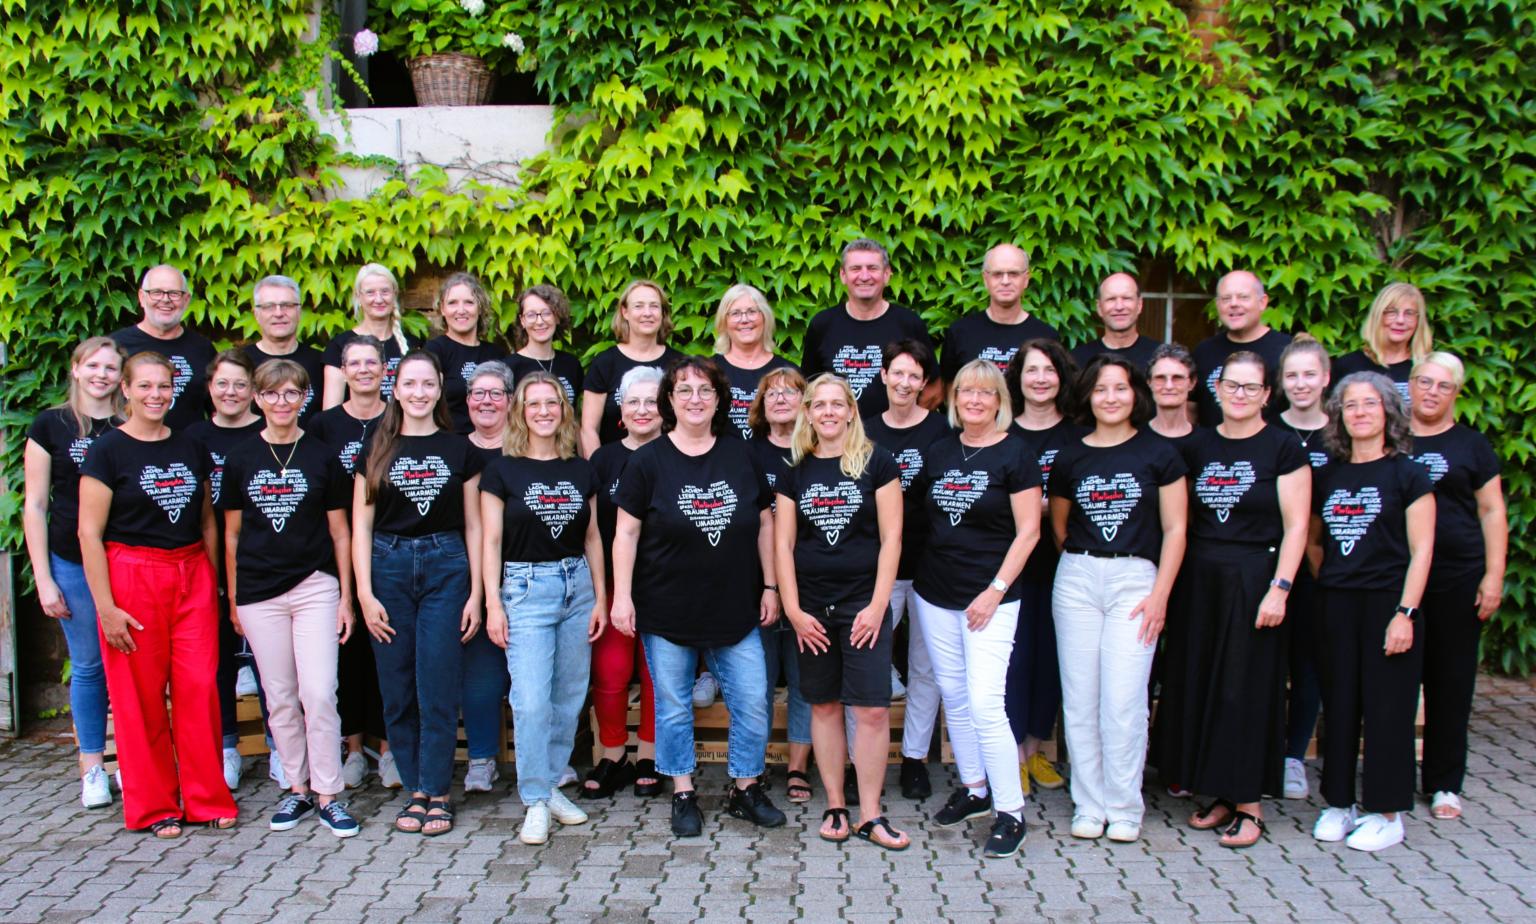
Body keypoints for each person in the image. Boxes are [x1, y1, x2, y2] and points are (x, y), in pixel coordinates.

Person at [610, 357, 785, 838]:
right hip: (666, 607)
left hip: (736, 606)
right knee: (671, 705)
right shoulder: (646, 462)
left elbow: (765, 523)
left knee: (751, 701)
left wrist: (770, 585)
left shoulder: (741, 455)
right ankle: (683, 791)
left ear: (718, 400)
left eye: (704, 390)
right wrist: (621, 596)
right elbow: (625, 533)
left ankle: (744, 788)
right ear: (670, 400)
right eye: (683, 389)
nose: (694, 398)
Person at [77, 351, 239, 836]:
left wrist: (211, 582)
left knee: (197, 689)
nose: (155, 395)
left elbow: (208, 519)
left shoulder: (190, 446)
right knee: (139, 696)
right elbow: (89, 533)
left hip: (190, 572)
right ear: (125, 390)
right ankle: (153, 806)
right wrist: (106, 609)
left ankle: (205, 798)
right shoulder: (107, 451)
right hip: (132, 575)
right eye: (144, 386)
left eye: (163, 386)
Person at [1152, 351, 1310, 848]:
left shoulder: (1283, 448)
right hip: (1201, 579)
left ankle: (1250, 806)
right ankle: (1218, 792)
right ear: (1217, 389)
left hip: (1256, 578)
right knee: (1204, 685)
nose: (1239, 395)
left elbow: (1298, 526)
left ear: (1266, 394)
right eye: (1231, 385)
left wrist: (1280, 588)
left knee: (1245, 690)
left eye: (1250, 387)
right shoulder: (1198, 448)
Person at [1049, 355, 1187, 843]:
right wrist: (1089, 563)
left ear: (1136, 395)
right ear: (1088, 395)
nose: (1111, 397)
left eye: (1121, 388)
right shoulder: (1071, 456)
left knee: (1125, 699)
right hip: (1079, 578)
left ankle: (1125, 806)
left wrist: (1160, 595)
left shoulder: (1161, 453)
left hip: (1137, 580)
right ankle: (1089, 804)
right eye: (1101, 388)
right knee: (1081, 699)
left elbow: (1175, 530)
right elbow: (1060, 526)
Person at [219, 361, 359, 837]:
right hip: (259, 593)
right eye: (272, 394)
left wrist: (346, 598)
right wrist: (236, 597)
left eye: (292, 394)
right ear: (257, 399)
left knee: (319, 692)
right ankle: (297, 790)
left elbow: (341, 533)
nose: (282, 402)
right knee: (278, 696)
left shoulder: (323, 456)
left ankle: (329, 794)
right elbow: (232, 535)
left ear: (305, 398)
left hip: (316, 585)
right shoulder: (240, 458)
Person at [912, 360, 1042, 859]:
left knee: (986, 701)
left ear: (999, 400)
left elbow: (1029, 531)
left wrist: (995, 588)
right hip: (934, 592)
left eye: (984, 393)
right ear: (954, 399)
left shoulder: (1017, 454)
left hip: (992, 597)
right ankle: (975, 789)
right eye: (965, 390)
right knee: (954, 693)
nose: (973, 399)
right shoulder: (940, 451)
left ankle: (1011, 812)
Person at [353, 350, 484, 837]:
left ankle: (438, 790)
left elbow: (473, 525)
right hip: (387, 567)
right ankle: (415, 790)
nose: (419, 393)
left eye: (428, 384)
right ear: (396, 388)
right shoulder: (376, 447)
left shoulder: (460, 449)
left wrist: (474, 594)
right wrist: (364, 593)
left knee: (437, 684)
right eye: (410, 384)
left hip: (446, 567)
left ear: (439, 389)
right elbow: (360, 526)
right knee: (397, 687)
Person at [775, 374, 905, 848]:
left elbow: (892, 539)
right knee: (825, 706)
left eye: (838, 404)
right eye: (819, 405)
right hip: (812, 609)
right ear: (807, 413)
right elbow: (783, 545)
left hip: (862, 606)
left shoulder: (877, 463)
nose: (829, 412)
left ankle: (870, 813)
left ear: (851, 411)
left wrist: (877, 605)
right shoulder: (795, 470)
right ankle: (835, 804)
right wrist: (792, 608)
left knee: (870, 711)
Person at [1308, 372, 1434, 852]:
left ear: (1388, 412)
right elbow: (1315, 543)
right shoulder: (1330, 474)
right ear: (1339, 415)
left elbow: (1422, 550)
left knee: (1388, 708)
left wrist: (1405, 612)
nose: (1360, 412)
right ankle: (1339, 802)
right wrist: (1338, 583)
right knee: (1339, 705)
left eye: (1370, 404)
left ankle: (1388, 810)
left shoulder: (1409, 473)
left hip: (1389, 603)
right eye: (1350, 405)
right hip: (1338, 602)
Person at [481, 372, 608, 844]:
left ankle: (552, 784)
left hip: (577, 586)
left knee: (568, 696)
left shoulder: (581, 470)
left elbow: (593, 536)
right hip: (524, 587)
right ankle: (534, 798)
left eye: (551, 402)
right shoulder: (502, 470)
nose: (543, 411)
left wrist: (601, 596)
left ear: (563, 409)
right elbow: (491, 541)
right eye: (533, 404)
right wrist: (493, 602)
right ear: (520, 411)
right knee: (531, 700)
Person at [23, 336, 125, 808]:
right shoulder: (51, 425)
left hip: (125, 561)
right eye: (95, 366)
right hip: (72, 563)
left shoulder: (130, 422)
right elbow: (36, 504)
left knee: (129, 665)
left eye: (111, 367)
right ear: (77, 368)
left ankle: (128, 760)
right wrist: (44, 578)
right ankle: (92, 768)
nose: (102, 375)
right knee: (88, 666)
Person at [1407, 352, 1507, 821]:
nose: (1431, 392)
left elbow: (1491, 511)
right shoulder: (1390, 440)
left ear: (1455, 394)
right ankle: (1394, 776)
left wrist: (1493, 574)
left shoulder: (1471, 445)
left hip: (1456, 575)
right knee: (1398, 681)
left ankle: (1445, 782)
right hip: (1399, 576)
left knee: (1450, 680)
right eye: (1423, 381)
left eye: (1442, 386)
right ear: (1410, 384)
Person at [862, 340, 949, 800]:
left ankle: (914, 758)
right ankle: (862, 762)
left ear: (924, 383)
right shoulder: (866, 431)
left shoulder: (942, 432)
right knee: (870, 662)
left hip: (931, 565)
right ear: (883, 375)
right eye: (897, 372)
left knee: (925, 666)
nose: (904, 382)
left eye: (914, 375)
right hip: (880, 567)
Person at [308, 335, 394, 789]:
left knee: (387, 651)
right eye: (354, 363)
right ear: (342, 371)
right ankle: (354, 747)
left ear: (385, 370)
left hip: (390, 549)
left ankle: (388, 748)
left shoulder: (397, 419)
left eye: (371, 362)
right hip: (336, 548)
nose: (363, 370)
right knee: (348, 652)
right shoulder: (323, 426)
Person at [183, 351, 269, 791]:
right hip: (204, 562)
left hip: (261, 564)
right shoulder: (193, 438)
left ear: (254, 391)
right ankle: (227, 748)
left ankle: (278, 747)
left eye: (240, 384)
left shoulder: (269, 432)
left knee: (268, 662)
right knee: (216, 663)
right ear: (210, 388)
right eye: (223, 384)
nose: (231, 392)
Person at [1002, 339, 1081, 800]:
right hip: (1011, 563)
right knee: (1014, 657)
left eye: (1049, 370)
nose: (1040, 379)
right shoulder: (1003, 433)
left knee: (1052, 656)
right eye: (1032, 370)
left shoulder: (1078, 435)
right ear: (1018, 377)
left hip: (1061, 560)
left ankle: (1034, 748)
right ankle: (1011, 754)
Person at [586, 367, 665, 799]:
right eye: (633, 401)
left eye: (651, 401)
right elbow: (594, 530)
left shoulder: (676, 453)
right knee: (611, 671)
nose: (641, 409)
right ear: (620, 408)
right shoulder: (605, 459)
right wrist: (604, 593)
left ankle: (650, 756)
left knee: (656, 673)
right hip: (616, 583)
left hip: (666, 584)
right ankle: (613, 755)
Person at [744, 366, 812, 795]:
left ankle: (798, 768)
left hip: (811, 585)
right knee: (757, 683)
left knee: (806, 683)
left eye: (791, 392)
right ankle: (757, 762)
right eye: (772, 394)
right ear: (761, 406)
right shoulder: (743, 454)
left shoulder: (818, 452)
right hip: (756, 588)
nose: (782, 399)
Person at [1277, 334, 1332, 799]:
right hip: (1268, 566)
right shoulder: (1270, 431)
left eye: (1309, 374)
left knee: (1308, 663)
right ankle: (1264, 750)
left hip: (1323, 568)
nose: (1300, 383)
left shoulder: (1342, 435)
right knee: (1269, 662)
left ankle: (1294, 755)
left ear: (1325, 378)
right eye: (1292, 375)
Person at [460, 362, 517, 794]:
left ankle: (552, 760)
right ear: (466, 401)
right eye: (478, 393)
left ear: (510, 401)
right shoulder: (456, 452)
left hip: (530, 572)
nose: (486, 401)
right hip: (469, 579)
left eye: (495, 393)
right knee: (482, 676)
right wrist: (481, 592)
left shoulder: (526, 452)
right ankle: (481, 759)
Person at [801, 239, 934, 418]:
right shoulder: (822, 324)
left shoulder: (909, 323)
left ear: (887, 275)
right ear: (843, 275)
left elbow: (933, 388)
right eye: (855, 269)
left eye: (872, 268)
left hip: (894, 440)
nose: (864, 276)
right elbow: (809, 389)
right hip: (838, 439)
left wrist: (904, 425)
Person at [581, 280, 685, 455]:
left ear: (662, 313)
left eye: (654, 306)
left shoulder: (678, 364)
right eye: (638, 306)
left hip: (668, 467)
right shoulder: (605, 363)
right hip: (615, 471)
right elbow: (589, 429)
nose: (647, 313)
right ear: (625, 312)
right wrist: (599, 474)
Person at [110, 265, 216, 431]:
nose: (165, 299)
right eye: (157, 292)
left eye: (174, 293)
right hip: (130, 450)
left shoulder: (203, 348)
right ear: (142, 297)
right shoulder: (116, 346)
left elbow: (215, 409)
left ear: (186, 299)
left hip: (188, 451)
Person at [940, 244, 1058, 383]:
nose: (1005, 281)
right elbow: (949, 388)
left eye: (1013, 274)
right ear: (985, 279)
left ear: (1026, 279)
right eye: (997, 274)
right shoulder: (960, 332)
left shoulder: (1046, 336)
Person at [1191, 271, 1291, 426]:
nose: (1234, 304)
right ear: (1218, 305)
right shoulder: (1203, 352)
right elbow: (1191, 409)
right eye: (1226, 298)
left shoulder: (1287, 351)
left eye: (1243, 297)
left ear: (1262, 302)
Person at [322, 263, 421, 406]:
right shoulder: (339, 345)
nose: (379, 299)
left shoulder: (413, 345)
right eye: (370, 292)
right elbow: (331, 412)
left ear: (395, 294)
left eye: (385, 291)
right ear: (358, 297)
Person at [712, 283, 797, 440]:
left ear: (765, 317)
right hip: (722, 463)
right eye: (735, 313)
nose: (744, 320)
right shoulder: (709, 371)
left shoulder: (788, 371)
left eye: (752, 311)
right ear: (724, 322)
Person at [424, 272, 505, 434]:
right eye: (452, 303)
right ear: (442, 309)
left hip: (490, 444)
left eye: (469, 302)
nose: (461, 310)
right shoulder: (434, 350)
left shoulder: (496, 354)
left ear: (480, 307)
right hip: (448, 443)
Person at [242, 275, 326, 426]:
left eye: (287, 305)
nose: (279, 313)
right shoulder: (240, 363)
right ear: (256, 314)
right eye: (269, 306)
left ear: (299, 311)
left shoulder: (320, 363)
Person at [1331, 282, 1431, 405]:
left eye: (1409, 313)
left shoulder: (1427, 368)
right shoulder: (1347, 366)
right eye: (1391, 312)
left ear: (1418, 321)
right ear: (1378, 315)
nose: (1400, 320)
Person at [509, 284, 584, 406]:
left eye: (546, 313)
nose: (539, 322)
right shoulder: (509, 368)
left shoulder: (572, 365)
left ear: (557, 317)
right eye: (531, 315)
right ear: (522, 321)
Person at [1070, 273, 1160, 372]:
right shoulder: (1077, 359)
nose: (1119, 307)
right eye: (1111, 299)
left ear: (1139, 305)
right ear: (1099, 307)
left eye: (1126, 298)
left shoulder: (1159, 357)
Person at [1146, 343, 1198, 449]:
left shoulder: (1208, 443)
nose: (1169, 386)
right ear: (1149, 382)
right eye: (1160, 378)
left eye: (1177, 377)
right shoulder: (1135, 441)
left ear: (1192, 383)